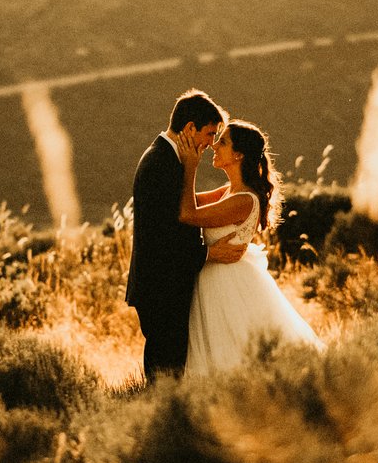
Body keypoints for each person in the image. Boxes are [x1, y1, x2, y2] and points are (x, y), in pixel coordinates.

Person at [177, 119, 325, 375]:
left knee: (234, 353)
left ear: (238, 155)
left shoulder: (244, 200)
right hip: (215, 276)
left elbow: (187, 214)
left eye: (222, 141)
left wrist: (191, 166)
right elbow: (183, 199)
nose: (213, 145)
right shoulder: (229, 191)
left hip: (227, 284)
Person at [126, 90, 247, 381]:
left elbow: (181, 209)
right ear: (190, 128)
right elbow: (164, 237)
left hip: (165, 283)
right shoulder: (162, 164)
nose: (210, 143)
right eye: (208, 133)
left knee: (169, 369)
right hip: (160, 286)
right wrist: (210, 253)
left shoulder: (167, 158)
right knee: (165, 373)